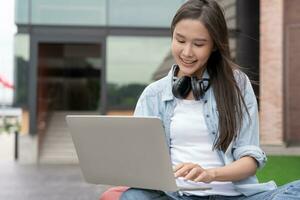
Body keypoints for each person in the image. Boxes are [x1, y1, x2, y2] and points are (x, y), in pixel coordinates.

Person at [119, 0, 300, 199]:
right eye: (180, 40)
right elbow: (140, 162)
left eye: (198, 44)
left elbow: (250, 160)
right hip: (178, 196)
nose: (187, 52)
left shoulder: (237, 85)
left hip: (236, 196)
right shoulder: (153, 95)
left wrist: (210, 174)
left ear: (214, 45)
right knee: (133, 196)